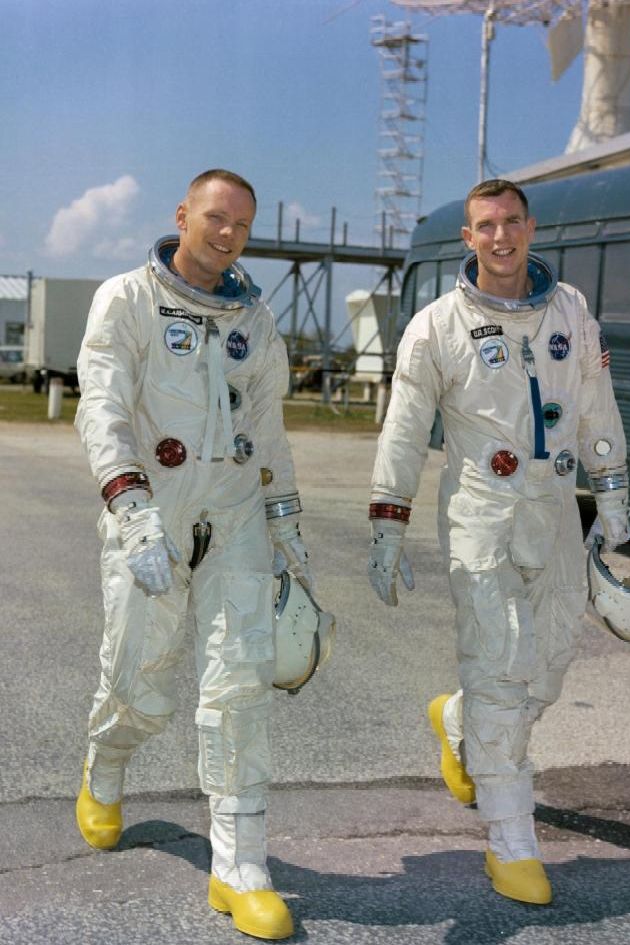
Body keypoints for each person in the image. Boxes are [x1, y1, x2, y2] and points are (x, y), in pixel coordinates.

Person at [367, 179, 630, 905]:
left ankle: (457, 721)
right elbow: (404, 427)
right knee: (499, 662)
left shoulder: (570, 311)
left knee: (547, 665)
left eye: (512, 222)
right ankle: (512, 840)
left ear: (531, 226)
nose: (501, 237)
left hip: (553, 506)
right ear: (469, 237)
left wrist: (613, 499)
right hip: (482, 512)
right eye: (486, 225)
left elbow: (597, 406)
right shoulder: (437, 325)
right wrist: (390, 521)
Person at [74, 169, 313, 940]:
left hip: (235, 510)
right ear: (184, 214)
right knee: (140, 681)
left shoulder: (255, 317)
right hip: (153, 511)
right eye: (215, 217)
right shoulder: (129, 299)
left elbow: (268, 428)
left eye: (241, 225)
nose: (227, 234)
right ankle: (106, 762)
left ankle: (240, 866)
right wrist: (130, 506)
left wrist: (286, 528)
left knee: (238, 685)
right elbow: (102, 404)